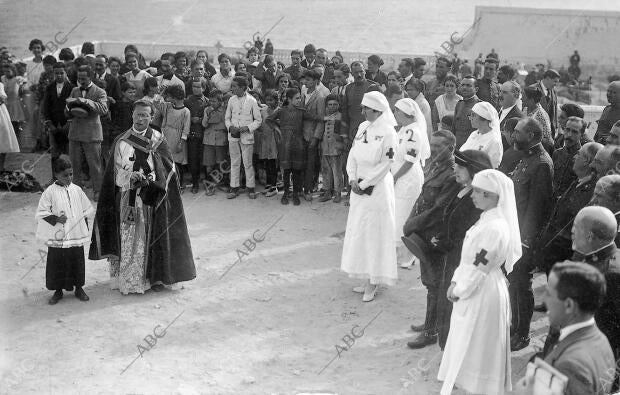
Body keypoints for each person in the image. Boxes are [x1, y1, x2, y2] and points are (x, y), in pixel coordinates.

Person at [90, 99, 195, 293]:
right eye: (137, 114)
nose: (140, 118)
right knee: (131, 237)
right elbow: (114, 173)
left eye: (144, 115)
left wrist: (151, 180)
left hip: (152, 196)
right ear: (132, 114)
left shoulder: (158, 139)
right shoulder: (121, 141)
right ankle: (132, 280)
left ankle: (155, 278)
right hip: (128, 198)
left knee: (154, 236)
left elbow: (167, 169)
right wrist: (130, 177)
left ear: (151, 117)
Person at [438, 169, 520, 395]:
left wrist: (460, 289)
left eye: (478, 192)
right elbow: (468, 260)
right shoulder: (485, 220)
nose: (472, 195)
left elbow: (479, 268)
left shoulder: (494, 228)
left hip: (483, 290)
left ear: (493, 196)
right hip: (474, 286)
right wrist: (456, 281)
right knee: (469, 340)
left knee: (480, 343)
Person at [516, 261, 615, 395]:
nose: (544, 299)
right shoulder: (600, 339)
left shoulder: (571, 366)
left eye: (549, 294)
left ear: (569, 305)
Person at [431, 150, 493, 350]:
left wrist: (445, 243)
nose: (454, 169)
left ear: (474, 171)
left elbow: (468, 237)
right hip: (452, 258)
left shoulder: (477, 202)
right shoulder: (463, 190)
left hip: (463, 263)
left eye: (460, 166)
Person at [341, 91, 398, 303]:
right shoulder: (362, 128)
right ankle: (365, 275)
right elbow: (353, 154)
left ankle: (375, 281)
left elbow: (386, 164)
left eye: (366, 108)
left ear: (377, 110)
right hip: (358, 188)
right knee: (360, 231)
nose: (362, 111)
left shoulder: (389, 133)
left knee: (375, 232)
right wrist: (353, 178)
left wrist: (365, 183)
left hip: (377, 189)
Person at [403, 130, 457, 343]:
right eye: (432, 145)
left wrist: (413, 224)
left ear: (450, 148)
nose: (433, 150)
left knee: (436, 283)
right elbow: (421, 198)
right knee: (429, 282)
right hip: (424, 232)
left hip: (436, 235)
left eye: (438, 146)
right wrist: (410, 221)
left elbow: (438, 210)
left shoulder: (452, 174)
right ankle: (430, 323)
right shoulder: (435, 165)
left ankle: (431, 332)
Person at [509, 117, 554, 351]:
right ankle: (515, 325)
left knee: (521, 285)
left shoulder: (541, 164)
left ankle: (522, 333)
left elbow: (538, 208)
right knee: (513, 284)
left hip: (524, 239)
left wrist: (526, 242)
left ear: (533, 136)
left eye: (517, 132)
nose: (513, 136)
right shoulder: (527, 157)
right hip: (514, 231)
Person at [535, 142, 603, 279]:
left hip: (564, 258)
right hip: (554, 255)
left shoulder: (590, 191)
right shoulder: (577, 182)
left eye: (578, 154)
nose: (574, 157)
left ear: (587, 161)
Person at [36, 156, 94, 304]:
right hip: (59, 235)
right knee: (58, 262)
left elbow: (87, 210)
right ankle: (58, 290)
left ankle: (79, 288)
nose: (69, 178)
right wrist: (55, 218)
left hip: (75, 235)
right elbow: (41, 212)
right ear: (56, 175)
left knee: (77, 260)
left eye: (71, 174)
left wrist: (82, 230)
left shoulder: (77, 190)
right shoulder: (50, 192)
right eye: (65, 175)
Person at [392, 98, 430, 267]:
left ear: (405, 113)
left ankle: (408, 256)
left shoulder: (414, 132)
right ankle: (399, 252)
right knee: (398, 214)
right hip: (399, 176)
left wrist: (395, 176)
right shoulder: (403, 131)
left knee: (405, 214)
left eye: (397, 111)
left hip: (407, 178)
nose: (394, 114)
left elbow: (410, 160)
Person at [266, 88, 319, 205]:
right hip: (285, 144)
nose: (299, 100)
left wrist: (328, 117)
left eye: (300, 98)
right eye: (297, 98)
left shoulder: (301, 111)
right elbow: (269, 120)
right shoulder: (281, 111)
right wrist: (278, 131)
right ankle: (285, 193)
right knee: (286, 171)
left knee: (296, 171)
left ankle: (295, 194)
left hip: (298, 144)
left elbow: (314, 117)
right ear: (289, 99)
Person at [65, 65, 108, 201]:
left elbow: (103, 110)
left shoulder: (100, 92)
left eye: (83, 78)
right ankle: (76, 191)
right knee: (74, 164)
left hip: (92, 134)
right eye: (79, 78)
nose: (81, 81)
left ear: (91, 77)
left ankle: (98, 191)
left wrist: (87, 102)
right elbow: (67, 110)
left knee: (94, 165)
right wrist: (68, 108)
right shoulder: (74, 90)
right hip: (75, 132)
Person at [225, 76, 262, 200]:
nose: (232, 88)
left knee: (248, 163)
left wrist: (247, 128)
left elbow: (258, 120)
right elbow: (227, 118)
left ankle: (250, 187)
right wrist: (230, 127)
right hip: (233, 136)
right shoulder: (231, 100)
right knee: (235, 162)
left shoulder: (252, 101)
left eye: (235, 86)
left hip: (247, 136)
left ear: (243, 87)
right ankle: (234, 187)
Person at [153, 85, 190, 186]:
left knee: (177, 162)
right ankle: (167, 183)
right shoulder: (167, 106)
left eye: (169, 96)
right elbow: (155, 102)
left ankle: (179, 184)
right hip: (166, 136)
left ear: (175, 97)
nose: (168, 98)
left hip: (177, 139)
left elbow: (186, 130)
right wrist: (162, 91)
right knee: (165, 160)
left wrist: (181, 143)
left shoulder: (186, 111)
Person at [300, 69, 327, 201]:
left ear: (316, 81)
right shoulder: (303, 93)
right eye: (305, 79)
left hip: (311, 135)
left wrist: (316, 138)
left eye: (309, 80)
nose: (306, 82)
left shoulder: (320, 97)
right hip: (301, 133)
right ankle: (301, 187)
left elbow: (321, 119)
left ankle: (309, 189)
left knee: (310, 163)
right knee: (301, 162)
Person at [318, 94, 346, 203]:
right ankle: (327, 192)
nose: (332, 107)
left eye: (335, 104)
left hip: (336, 148)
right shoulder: (325, 116)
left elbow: (343, 132)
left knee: (337, 171)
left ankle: (338, 193)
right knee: (326, 170)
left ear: (339, 105)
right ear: (326, 105)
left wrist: (340, 141)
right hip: (325, 147)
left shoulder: (341, 117)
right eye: (329, 104)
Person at [42, 63, 73, 161]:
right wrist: (49, 123)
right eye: (56, 73)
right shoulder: (49, 87)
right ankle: (55, 174)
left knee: (68, 151)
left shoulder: (72, 88)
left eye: (61, 73)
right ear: (53, 74)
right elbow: (46, 106)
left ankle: (68, 173)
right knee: (54, 151)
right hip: (53, 124)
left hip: (67, 125)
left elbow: (73, 107)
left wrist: (68, 123)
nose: (59, 75)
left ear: (65, 73)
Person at [459, 101, 503, 168]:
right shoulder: (474, 134)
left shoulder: (494, 141)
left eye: (473, 115)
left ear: (484, 117)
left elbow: (492, 167)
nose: (470, 118)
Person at [201, 90, 227, 195]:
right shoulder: (207, 110)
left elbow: (225, 125)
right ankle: (209, 184)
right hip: (208, 140)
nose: (212, 103)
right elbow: (204, 124)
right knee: (209, 163)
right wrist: (208, 116)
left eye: (214, 101)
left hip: (221, 140)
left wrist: (215, 120)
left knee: (220, 163)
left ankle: (221, 183)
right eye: (210, 101)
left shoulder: (225, 110)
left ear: (220, 101)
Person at [184, 80, 208, 193]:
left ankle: (208, 183)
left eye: (198, 87)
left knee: (206, 160)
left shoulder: (207, 101)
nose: (195, 89)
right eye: (194, 86)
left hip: (205, 135)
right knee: (193, 160)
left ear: (203, 88)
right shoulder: (187, 101)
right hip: (192, 135)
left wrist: (201, 119)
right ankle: (195, 184)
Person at [552, 116, 584, 199]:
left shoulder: (583, 158)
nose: (569, 135)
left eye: (574, 132)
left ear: (582, 134)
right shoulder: (557, 153)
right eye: (567, 130)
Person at [256, 89, 279, 198]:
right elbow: (260, 125)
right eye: (267, 100)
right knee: (267, 164)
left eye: (272, 100)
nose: (269, 102)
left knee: (273, 164)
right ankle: (269, 184)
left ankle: (274, 186)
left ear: (276, 100)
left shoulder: (279, 111)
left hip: (274, 141)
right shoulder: (263, 111)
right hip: (265, 140)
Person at [452, 76, 481, 149]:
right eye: (463, 85)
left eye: (468, 85)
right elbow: (453, 129)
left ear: (476, 89)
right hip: (457, 149)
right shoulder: (459, 104)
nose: (464, 87)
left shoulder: (480, 106)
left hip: (472, 150)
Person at [522, 85, 553, 153]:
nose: (521, 99)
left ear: (531, 100)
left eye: (524, 97)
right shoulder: (525, 109)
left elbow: (547, 141)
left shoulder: (541, 115)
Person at [0, 80, 20, 171]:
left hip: (1, 115)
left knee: (3, 140)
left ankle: (1, 167)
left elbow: (2, 98)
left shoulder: (0, 85)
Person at [534, 69, 560, 136]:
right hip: (536, 131)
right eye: (555, 81)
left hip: (551, 132)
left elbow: (555, 111)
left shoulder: (554, 91)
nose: (556, 84)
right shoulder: (533, 89)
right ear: (548, 78)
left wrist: (556, 127)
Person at [498, 81, 523, 147]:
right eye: (500, 91)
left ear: (516, 95)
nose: (500, 95)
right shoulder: (497, 110)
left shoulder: (518, 117)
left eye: (505, 92)